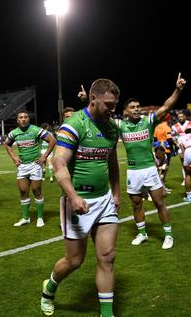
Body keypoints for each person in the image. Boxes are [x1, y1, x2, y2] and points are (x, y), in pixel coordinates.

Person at [40, 78, 121, 317]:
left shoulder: (111, 126)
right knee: (74, 261)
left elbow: (112, 161)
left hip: (104, 200)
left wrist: (116, 192)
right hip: (77, 203)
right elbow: (59, 162)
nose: (112, 109)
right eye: (108, 104)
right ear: (93, 99)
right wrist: (73, 196)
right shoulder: (74, 124)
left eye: (115, 104)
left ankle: (107, 314)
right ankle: (50, 287)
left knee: (107, 257)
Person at [116, 73, 185, 250]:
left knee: (159, 203)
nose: (137, 109)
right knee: (136, 204)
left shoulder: (148, 121)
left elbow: (166, 107)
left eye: (138, 106)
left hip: (149, 169)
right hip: (133, 172)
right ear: (125, 111)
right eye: (133, 107)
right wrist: (87, 101)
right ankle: (142, 233)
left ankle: (168, 235)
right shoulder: (120, 125)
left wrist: (177, 90)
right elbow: (99, 116)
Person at [4, 111, 56, 227]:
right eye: (21, 117)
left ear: (29, 119)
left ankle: (40, 217)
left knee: (36, 190)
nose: (23, 119)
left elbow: (52, 140)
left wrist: (44, 156)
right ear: (17, 120)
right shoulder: (14, 133)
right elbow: (7, 144)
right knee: (23, 191)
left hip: (35, 165)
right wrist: (14, 158)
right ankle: (25, 218)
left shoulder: (36, 130)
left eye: (25, 117)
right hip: (22, 166)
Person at [173, 111, 191, 187]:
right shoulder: (175, 126)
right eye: (179, 117)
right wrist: (176, 143)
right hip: (181, 146)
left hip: (190, 145)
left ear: (185, 116)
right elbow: (172, 136)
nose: (180, 118)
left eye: (181, 117)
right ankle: (185, 179)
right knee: (184, 164)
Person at [153, 115, 174, 191]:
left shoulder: (157, 127)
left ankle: (160, 186)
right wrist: (173, 148)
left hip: (158, 150)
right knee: (164, 169)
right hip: (166, 151)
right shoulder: (167, 128)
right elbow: (170, 140)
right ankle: (161, 186)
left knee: (158, 168)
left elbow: (155, 139)